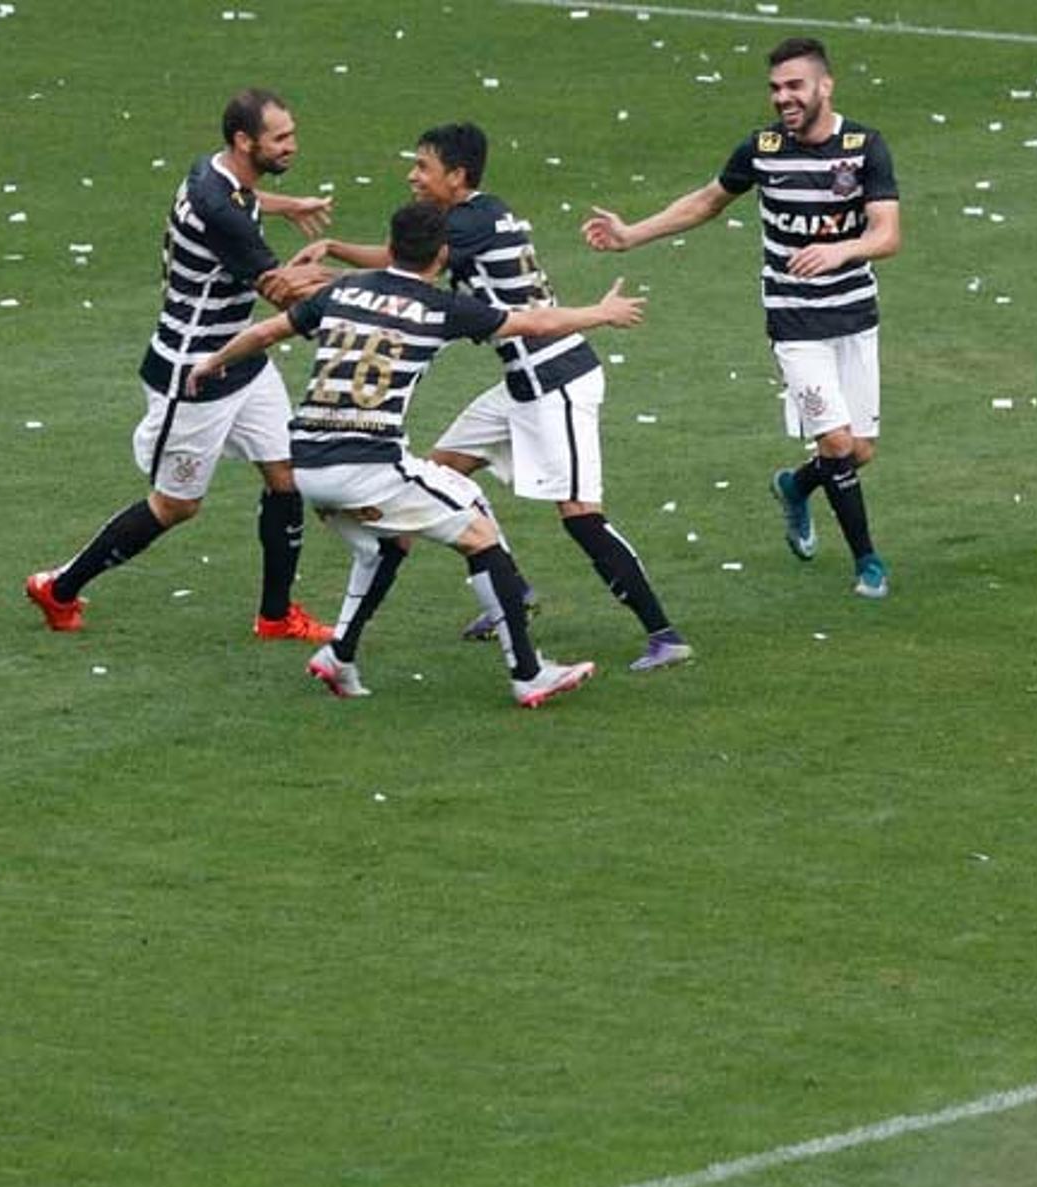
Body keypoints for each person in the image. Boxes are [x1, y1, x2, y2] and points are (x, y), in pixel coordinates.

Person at [189, 202, 646, 708]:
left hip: (306, 467)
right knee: (481, 534)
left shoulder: (342, 290)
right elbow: (534, 322)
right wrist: (601, 314)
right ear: (443, 254)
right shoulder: (439, 307)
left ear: (392, 244)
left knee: (387, 545)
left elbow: (263, 333)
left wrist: (212, 363)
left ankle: (339, 657)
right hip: (367, 464)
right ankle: (528, 674)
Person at [291, 123, 691, 671]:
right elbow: (401, 273)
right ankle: (512, 591)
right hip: (522, 382)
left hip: (558, 380)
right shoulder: (481, 213)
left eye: (423, 167)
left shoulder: (467, 223)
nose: (413, 175)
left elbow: (400, 267)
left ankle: (664, 634)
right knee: (440, 471)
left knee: (579, 514)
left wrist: (330, 267)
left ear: (457, 177)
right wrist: (334, 269)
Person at [583, 36, 901, 598]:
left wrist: (841, 251)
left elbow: (887, 233)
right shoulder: (761, 149)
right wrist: (631, 234)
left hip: (854, 314)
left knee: (860, 451)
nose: (784, 98)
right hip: (794, 322)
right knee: (835, 443)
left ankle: (795, 487)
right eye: (776, 88)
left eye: (795, 86)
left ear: (825, 86)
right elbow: (707, 201)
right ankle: (868, 562)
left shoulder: (864, 146)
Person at [25, 87, 337, 639]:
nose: (293, 146)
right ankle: (59, 588)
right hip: (197, 372)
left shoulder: (211, 173)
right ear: (245, 141)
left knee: (286, 477)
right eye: (281, 138)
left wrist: (291, 207)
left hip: (243, 357)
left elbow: (241, 202)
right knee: (176, 505)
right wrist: (366, 282)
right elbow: (285, 297)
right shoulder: (225, 214)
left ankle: (275, 615)